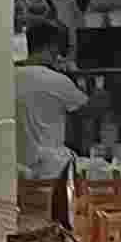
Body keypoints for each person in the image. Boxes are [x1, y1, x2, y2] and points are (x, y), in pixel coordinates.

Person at [12, 23, 83, 186]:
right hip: (53, 171)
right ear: (52, 47)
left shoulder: (10, 77)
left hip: (19, 169)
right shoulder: (58, 81)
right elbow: (89, 110)